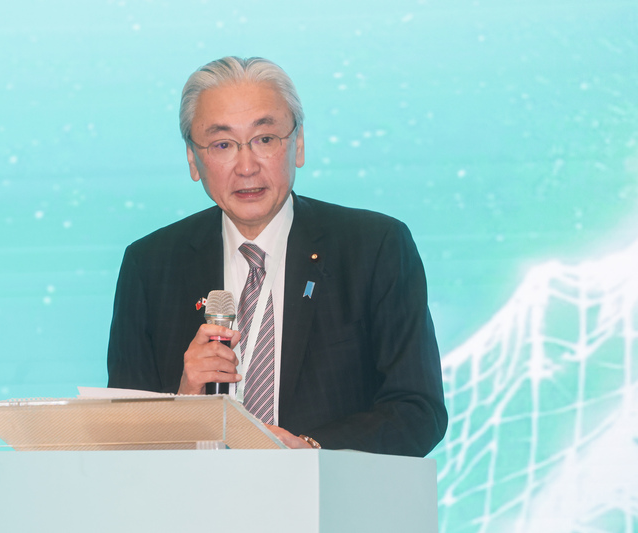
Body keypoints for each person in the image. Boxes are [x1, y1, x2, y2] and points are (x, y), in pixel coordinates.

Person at [107, 56, 447, 455]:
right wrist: (185, 398)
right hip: (197, 493)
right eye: (222, 145)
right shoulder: (151, 266)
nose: (246, 167)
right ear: (193, 159)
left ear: (297, 145)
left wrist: (311, 451)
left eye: (265, 139)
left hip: (328, 493)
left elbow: (417, 410)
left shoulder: (373, 247)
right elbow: (124, 441)